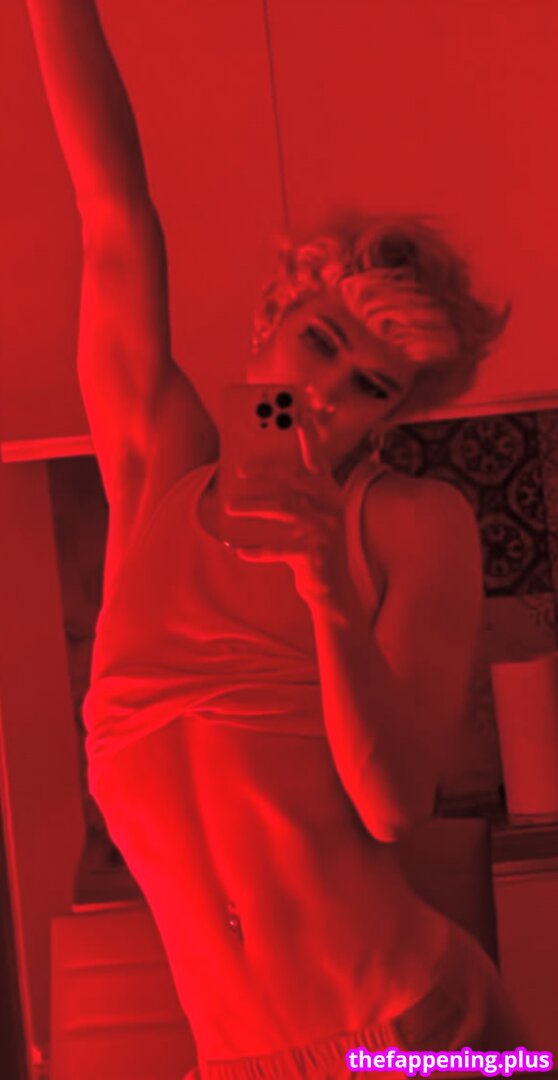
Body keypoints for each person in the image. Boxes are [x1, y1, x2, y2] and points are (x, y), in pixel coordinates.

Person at [26, 3, 532, 1077]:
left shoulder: (409, 522)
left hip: (416, 1031)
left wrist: (325, 592)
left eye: (372, 387)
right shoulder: (155, 475)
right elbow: (111, 210)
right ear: (269, 319)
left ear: (390, 416)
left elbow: (394, 807)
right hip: (235, 1059)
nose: (329, 391)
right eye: (319, 341)